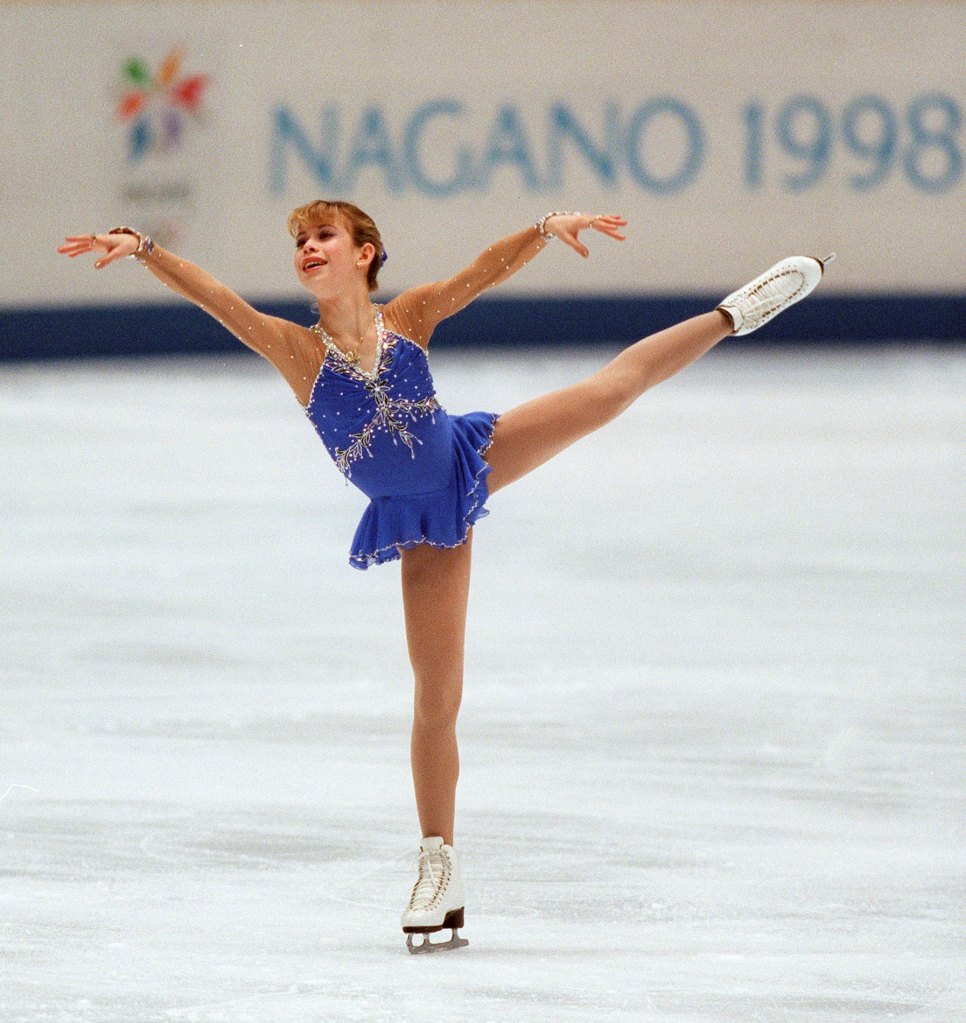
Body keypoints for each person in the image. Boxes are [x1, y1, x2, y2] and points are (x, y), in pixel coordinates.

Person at [58, 206, 832, 953]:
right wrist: (145, 250)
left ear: (365, 252)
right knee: (437, 696)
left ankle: (735, 312)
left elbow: (482, 271)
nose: (306, 246)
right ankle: (439, 862)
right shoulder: (297, 351)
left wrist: (542, 230)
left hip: (470, 455)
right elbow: (217, 298)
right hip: (419, 520)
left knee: (610, 391)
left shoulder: (411, 318)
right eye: (298, 238)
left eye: (322, 234)